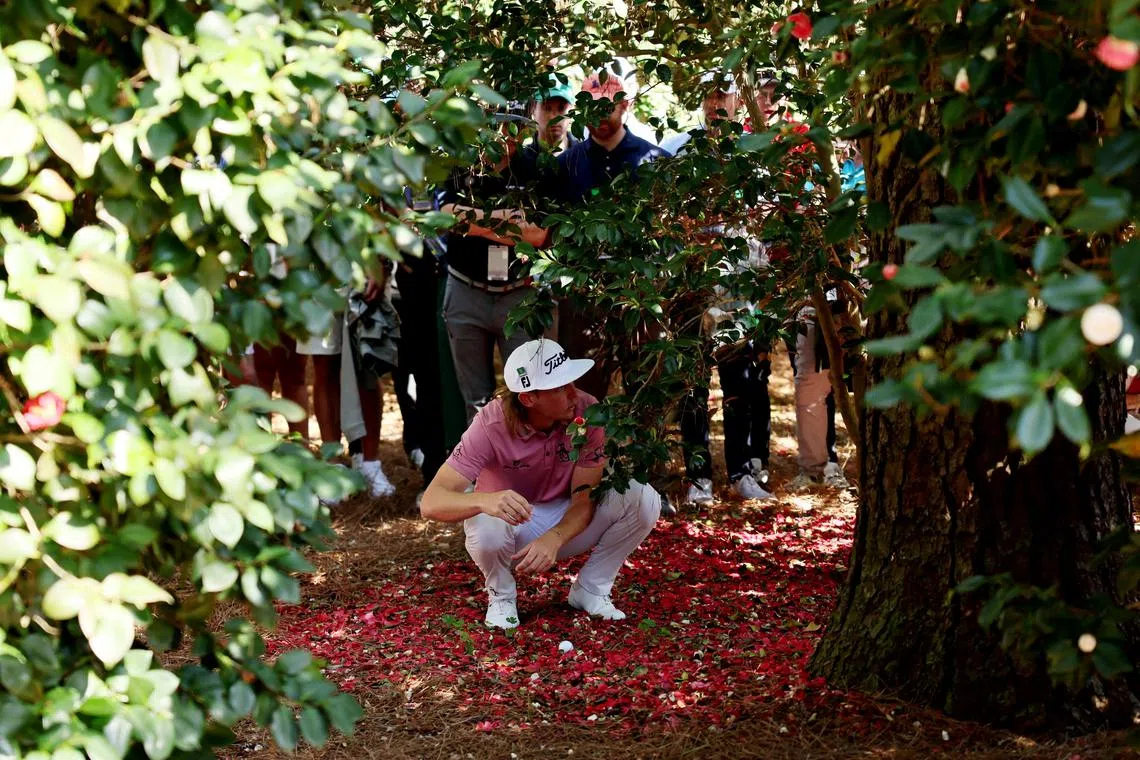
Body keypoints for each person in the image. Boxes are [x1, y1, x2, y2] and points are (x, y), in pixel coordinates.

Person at [419, 339, 662, 629]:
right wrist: (485, 500)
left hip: (566, 519)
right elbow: (431, 502)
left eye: (571, 381)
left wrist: (555, 537)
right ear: (529, 398)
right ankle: (501, 597)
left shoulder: (588, 411)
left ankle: (592, 589)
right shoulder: (490, 422)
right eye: (560, 387)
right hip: (510, 527)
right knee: (485, 521)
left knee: (643, 498)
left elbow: (584, 500)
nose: (574, 393)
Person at [669, 72, 773, 504]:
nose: (716, 104)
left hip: (737, 288)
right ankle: (697, 477)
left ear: (737, 101)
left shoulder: (752, 151)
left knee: (740, 383)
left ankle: (740, 472)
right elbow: (669, 218)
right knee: (693, 384)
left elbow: (764, 218)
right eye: (710, 97)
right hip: (692, 285)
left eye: (723, 96)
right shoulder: (680, 151)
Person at [555, 72, 670, 399]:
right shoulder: (566, 165)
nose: (599, 117)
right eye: (590, 109)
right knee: (581, 395)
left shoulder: (655, 162)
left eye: (607, 108)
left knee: (647, 392)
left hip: (640, 297)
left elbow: (670, 235)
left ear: (625, 105)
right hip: (583, 300)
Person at [441, 109, 553, 421]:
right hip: (466, 290)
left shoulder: (535, 164)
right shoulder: (460, 162)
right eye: (499, 124)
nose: (508, 133)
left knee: (528, 395)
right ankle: (482, 469)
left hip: (519, 293)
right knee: (476, 402)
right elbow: (446, 215)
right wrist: (511, 221)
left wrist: (473, 221)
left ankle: (527, 468)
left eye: (517, 125)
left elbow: (539, 233)